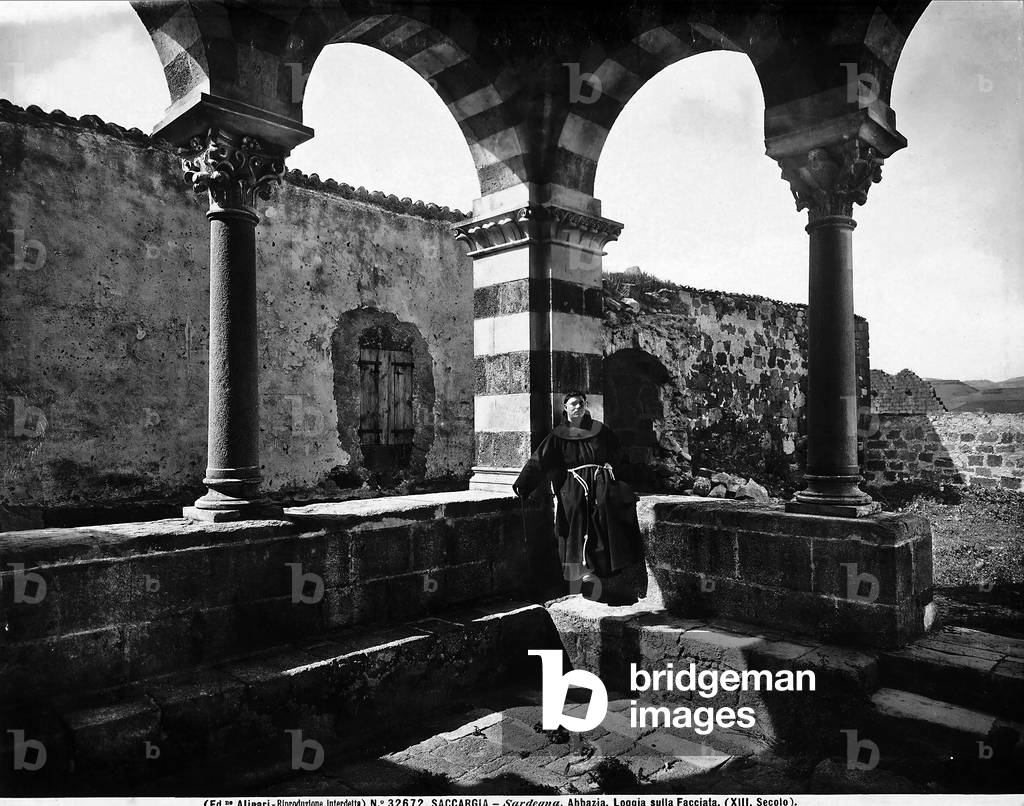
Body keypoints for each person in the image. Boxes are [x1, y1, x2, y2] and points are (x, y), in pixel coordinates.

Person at [511, 391, 643, 596]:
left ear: (585, 405)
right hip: (573, 483)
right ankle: (582, 572)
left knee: (607, 506)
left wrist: (622, 474)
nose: (577, 407)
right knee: (577, 509)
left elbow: (618, 454)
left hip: (599, 479)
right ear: (565, 408)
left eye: (581, 403)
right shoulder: (558, 435)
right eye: (573, 404)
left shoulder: (600, 430)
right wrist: (524, 483)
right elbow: (540, 460)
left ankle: (606, 567)